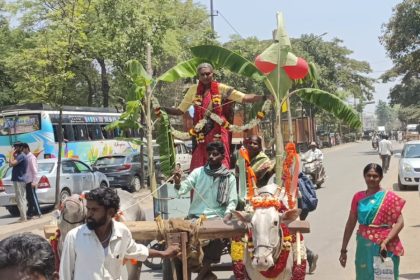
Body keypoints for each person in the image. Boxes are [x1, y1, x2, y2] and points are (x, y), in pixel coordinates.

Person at [60, 187, 180, 280]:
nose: (89, 214)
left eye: (94, 210)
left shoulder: (122, 232)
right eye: (89, 209)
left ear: (110, 212)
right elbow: (65, 275)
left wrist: (163, 253)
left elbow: (137, 251)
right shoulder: (74, 237)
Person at [164, 62, 265, 172]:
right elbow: (180, 110)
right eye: (202, 74)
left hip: (219, 131)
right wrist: (161, 109)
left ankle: (222, 186)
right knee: (197, 166)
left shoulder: (222, 88)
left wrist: (264, 97)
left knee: (220, 162)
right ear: (198, 76)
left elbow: (245, 98)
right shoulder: (193, 90)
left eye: (208, 74)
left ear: (213, 74)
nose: (205, 77)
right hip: (200, 133)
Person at [173, 141, 238, 280]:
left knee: (217, 241)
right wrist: (178, 182)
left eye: (215, 154)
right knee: (176, 244)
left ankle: (201, 275)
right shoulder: (198, 172)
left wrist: (226, 217)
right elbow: (183, 189)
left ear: (222, 156)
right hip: (195, 218)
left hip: (217, 218)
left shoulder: (229, 177)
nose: (212, 157)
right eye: (209, 154)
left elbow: (232, 201)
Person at [339, 163, 405, 279]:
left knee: (385, 275)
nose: (371, 179)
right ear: (364, 176)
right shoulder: (358, 197)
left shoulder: (389, 197)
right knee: (364, 273)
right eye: (369, 175)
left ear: (381, 177)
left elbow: (400, 222)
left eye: (375, 176)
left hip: (385, 245)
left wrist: (386, 240)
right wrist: (343, 250)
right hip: (364, 244)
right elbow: (350, 223)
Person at [9, 142, 28, 222]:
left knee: (21, 199)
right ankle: (23, 217)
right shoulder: (19, 156)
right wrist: (13, 155)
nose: (15, 149)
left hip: (19, 180)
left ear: (21, 147)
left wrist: (10, 154)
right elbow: (10, 165)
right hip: (18, 180)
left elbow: (12, 163)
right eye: (14, 147)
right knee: (20, 198)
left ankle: (23, 218)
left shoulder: (21, 156)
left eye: (16, 147)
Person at [22, 143, 42, 219]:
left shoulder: (31, 157)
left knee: (33, 197)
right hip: (27, 181)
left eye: (23, 149)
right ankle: (30, 213)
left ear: (26, 148)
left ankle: (39, 213)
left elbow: (35, 170)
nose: (22, 151)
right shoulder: (26, 157)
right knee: (29, 198)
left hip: (31, 181)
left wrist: (34, 182)